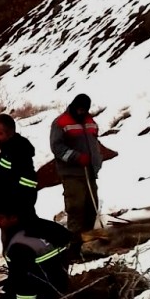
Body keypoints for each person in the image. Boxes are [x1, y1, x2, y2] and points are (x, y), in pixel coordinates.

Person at [50, 94, 102, 236]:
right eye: (79, 109)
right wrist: (76, 157)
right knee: (76, 207)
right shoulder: (61, 123)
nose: (81, 112)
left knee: (92, 207)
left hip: (89, 172)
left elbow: (94, 142)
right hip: (72, 174)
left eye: (84, 109)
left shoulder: (90, 122)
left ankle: (89, 239)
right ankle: (74, 241)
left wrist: (97, 160)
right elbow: (57, 147)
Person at [0, 114, 39, 244]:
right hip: (5, 218)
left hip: (17, 219)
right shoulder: (6, 152)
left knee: (20, 250)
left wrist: (13, 215)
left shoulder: (19, 152)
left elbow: (29, 185)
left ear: (10, 133)